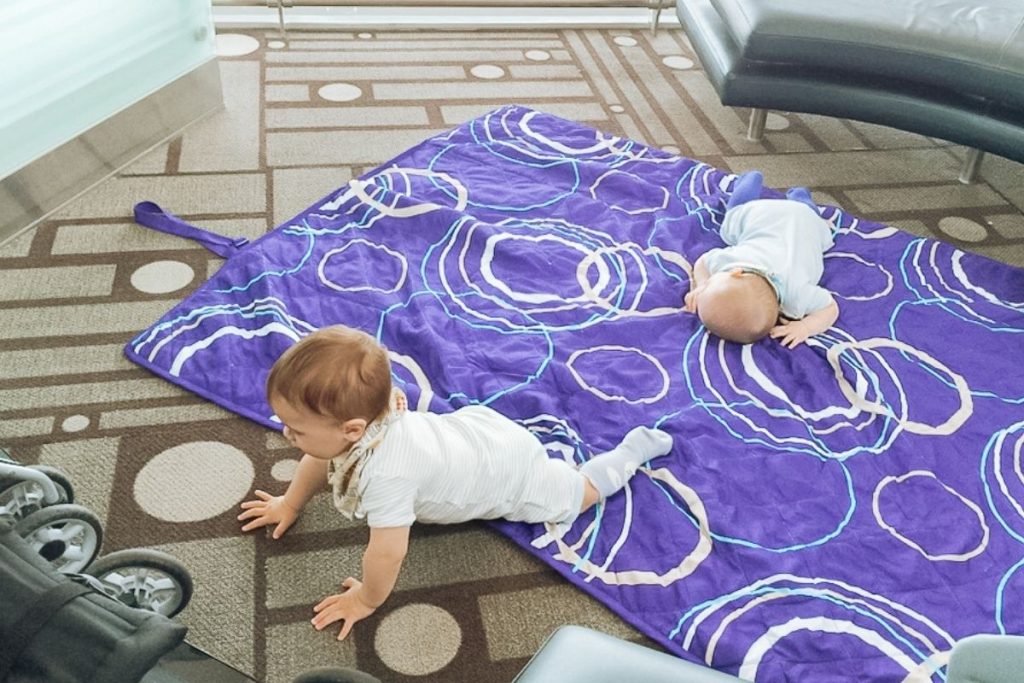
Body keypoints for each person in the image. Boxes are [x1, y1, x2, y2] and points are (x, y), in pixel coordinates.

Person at [237, 325, 674, 641]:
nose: (284, 434)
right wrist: (289, 504)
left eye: (295, 427)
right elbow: (318, 456)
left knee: (580, 495)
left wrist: (368, 600)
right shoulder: (368, 422)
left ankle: (630, 453)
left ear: (353, 430)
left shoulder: (387, 475)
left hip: (509, 474)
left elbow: (387, 551)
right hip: (473, 434)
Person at [683, 171, 839, 347]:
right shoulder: (735, 262)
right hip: (768, 216)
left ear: (736, 272)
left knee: (806, 212)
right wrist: (703, 283)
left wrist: (805, 327)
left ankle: (799, 195)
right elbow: (704, 261)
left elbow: (829, 308)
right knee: (735, 216)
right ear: (737, 273)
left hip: (807, 220)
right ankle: (782, 190)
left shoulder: (797, 296)